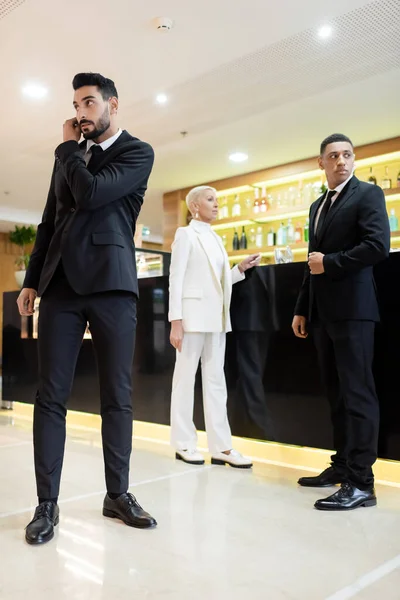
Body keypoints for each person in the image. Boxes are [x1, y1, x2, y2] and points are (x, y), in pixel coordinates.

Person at [17, 72, 157, 545]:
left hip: (112, 285)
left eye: (90, 102)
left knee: (117, 394)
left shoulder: (137, 152)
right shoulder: (72, 157)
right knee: (50, 396)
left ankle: (117, 494)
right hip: (59, 287)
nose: (82, 112)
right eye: (77, 104)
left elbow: (92, 193)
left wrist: (65, 152)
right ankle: (46, 505)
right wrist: (32, 280)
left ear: (113, 104)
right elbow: (49, 220)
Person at [292, 133, 390, 511]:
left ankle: (363, 483)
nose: (341, 161)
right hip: (322, 313)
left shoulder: (367, 194)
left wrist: (329, 264)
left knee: (358, 394)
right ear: (322, 163)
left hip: (354, 310)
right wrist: (302, 307)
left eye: (347, 155)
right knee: (336, 394)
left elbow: (377, 246)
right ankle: (342, 466)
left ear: (354, 160)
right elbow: (310, 260)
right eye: (333, 156)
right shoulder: (318, 205)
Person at [168, 185, 261, 468]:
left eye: (217, 200)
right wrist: (176, 321)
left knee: (216, 383)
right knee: (185, 381)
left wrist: (239, 270)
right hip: (192, 319)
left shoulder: (216, 238)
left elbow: (217, 283)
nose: (217, 204)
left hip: (217, 320)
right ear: (195, 206)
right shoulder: (185, 234)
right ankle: (184, 443)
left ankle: (221, 447)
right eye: (210, 200)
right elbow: (176, 279)